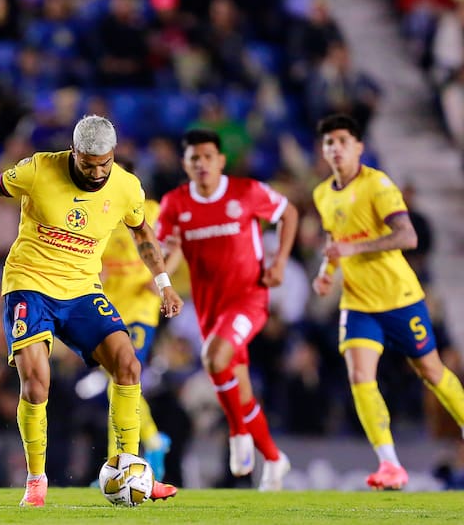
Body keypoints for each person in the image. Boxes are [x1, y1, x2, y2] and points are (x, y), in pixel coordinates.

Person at [0, 115, 183, 506]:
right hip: (29, 286)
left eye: (105, 163)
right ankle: (36, 480)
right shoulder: (38, 169)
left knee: (128, 364)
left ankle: (131, 467)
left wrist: (164, 283)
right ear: (74, 153)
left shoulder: (126, 186)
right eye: (89, 164)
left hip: (82, 289)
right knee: (37, 383)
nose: (98, 172)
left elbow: (142, 232)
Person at [311, 113, 464, 490]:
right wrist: (327, 271)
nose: (336, 148)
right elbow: (335, 242)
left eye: (343, 140)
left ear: (359, 147)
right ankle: (390, 464)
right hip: (358, 303)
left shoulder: (377, 185)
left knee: (430, 372)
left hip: (399, 298)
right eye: (329, 142)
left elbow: (407, 236)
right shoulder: (321, 194)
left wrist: (354, 248)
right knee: (360, 376)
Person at [156, 128, 298, 491]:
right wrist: (160, 281)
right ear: (185, 164)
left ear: (220, 160)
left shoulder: (246, 192)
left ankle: (239, 434)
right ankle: (275, 458)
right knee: (241, 389)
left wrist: (279, 262)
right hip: (209, 308)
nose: (201, 163)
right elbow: (168, 253)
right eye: (193, 158)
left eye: (207, 156)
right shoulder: (174, 203)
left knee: (214, 357)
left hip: (249, 298)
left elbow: (289, 213)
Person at [98, 163, 171, 481]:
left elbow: (174, 246)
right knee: (114, 384)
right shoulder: (101, 218)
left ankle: (118, 465)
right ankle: (152, 438)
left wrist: (161, 277)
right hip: (109, 310)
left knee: (121, 381)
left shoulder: (152, 211)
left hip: (141, 309)